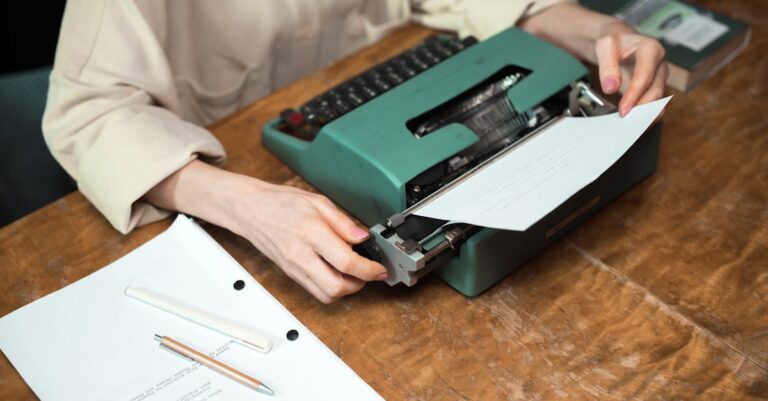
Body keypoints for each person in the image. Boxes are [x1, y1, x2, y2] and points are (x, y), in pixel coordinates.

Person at [43, 0, 668, 303]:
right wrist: (247, 205)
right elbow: (89, 113)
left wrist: (600, 30)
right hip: (239, 169)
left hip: (399, 85)